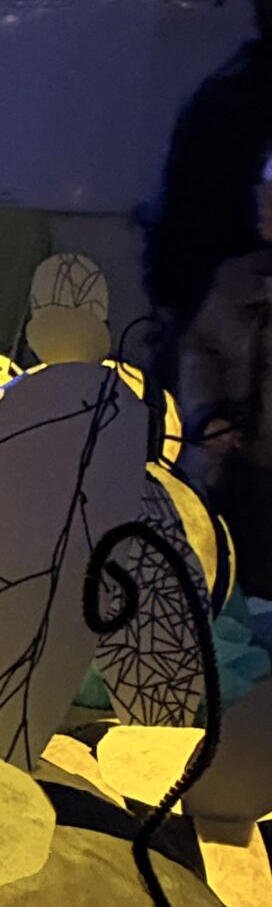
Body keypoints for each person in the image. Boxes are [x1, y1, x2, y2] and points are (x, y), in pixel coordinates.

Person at [141, 0, 272, 387]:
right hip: (221, 291)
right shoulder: (231, 95)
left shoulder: (222, 90)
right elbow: (191, 201)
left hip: (205, 286)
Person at [178, 159, 272, 596]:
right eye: (262, 193)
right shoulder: (239, 278)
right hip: (234, 472)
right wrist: (206, 414)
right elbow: (200, 349)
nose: (263, 206)